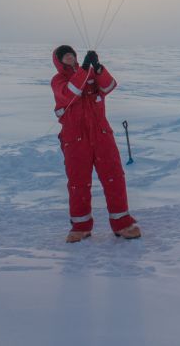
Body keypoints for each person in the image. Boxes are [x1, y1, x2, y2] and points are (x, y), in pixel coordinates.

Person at [51, 45, 140, 242]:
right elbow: (71, 92)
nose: (69, 56)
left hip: (101, 136)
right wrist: (84, 69)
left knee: (114, 177)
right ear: (59, 61)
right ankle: (80, 227)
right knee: (78, 183)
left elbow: (109, 86)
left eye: (71, 54)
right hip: (75, 140)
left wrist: (98, 68)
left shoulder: (90, 75)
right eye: (64, 55)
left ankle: (123, 224)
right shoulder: (59, 81)